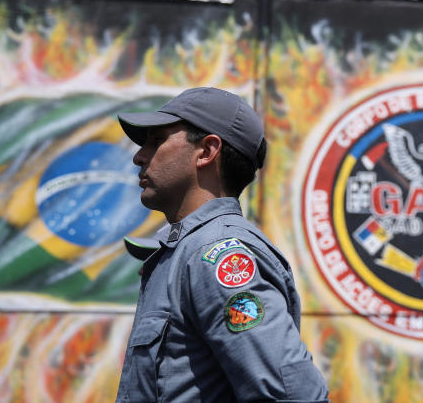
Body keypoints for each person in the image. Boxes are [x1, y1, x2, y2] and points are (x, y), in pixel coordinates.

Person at [114, 87, 329, 402]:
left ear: (206, 151)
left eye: (157, 141)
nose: (139, 155)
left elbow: (292, 396)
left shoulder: (217, 253)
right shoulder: (186, 251)